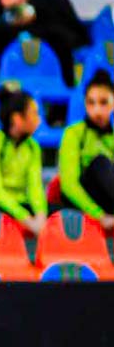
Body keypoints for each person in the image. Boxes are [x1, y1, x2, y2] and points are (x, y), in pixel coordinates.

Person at [0, 84, 47, 234]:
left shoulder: (33, 147)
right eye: (34, 114)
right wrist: (27, 220)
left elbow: (35, 187)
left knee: (61, 215)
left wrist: (41, 216)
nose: (39, 120)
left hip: (21, 204)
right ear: (17, 118)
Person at [57, 69, 114, 231]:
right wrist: (99, 215)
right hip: (81, 204)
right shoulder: (73, 133)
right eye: (91, 102)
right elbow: (68, 185)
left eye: (103, 102)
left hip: (108, 200)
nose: (96, 110)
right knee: (100, 163)